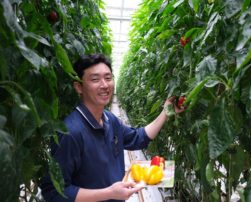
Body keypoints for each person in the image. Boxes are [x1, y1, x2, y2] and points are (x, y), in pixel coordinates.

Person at [40, 54, 185, 202]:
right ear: (79, 87)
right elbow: (54, 192)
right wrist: (109, 193)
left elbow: (137, 138)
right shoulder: (71, 132)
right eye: (95, 79)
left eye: (108, 78)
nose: (104, 85)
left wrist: (166, 113)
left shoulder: (110, 119)